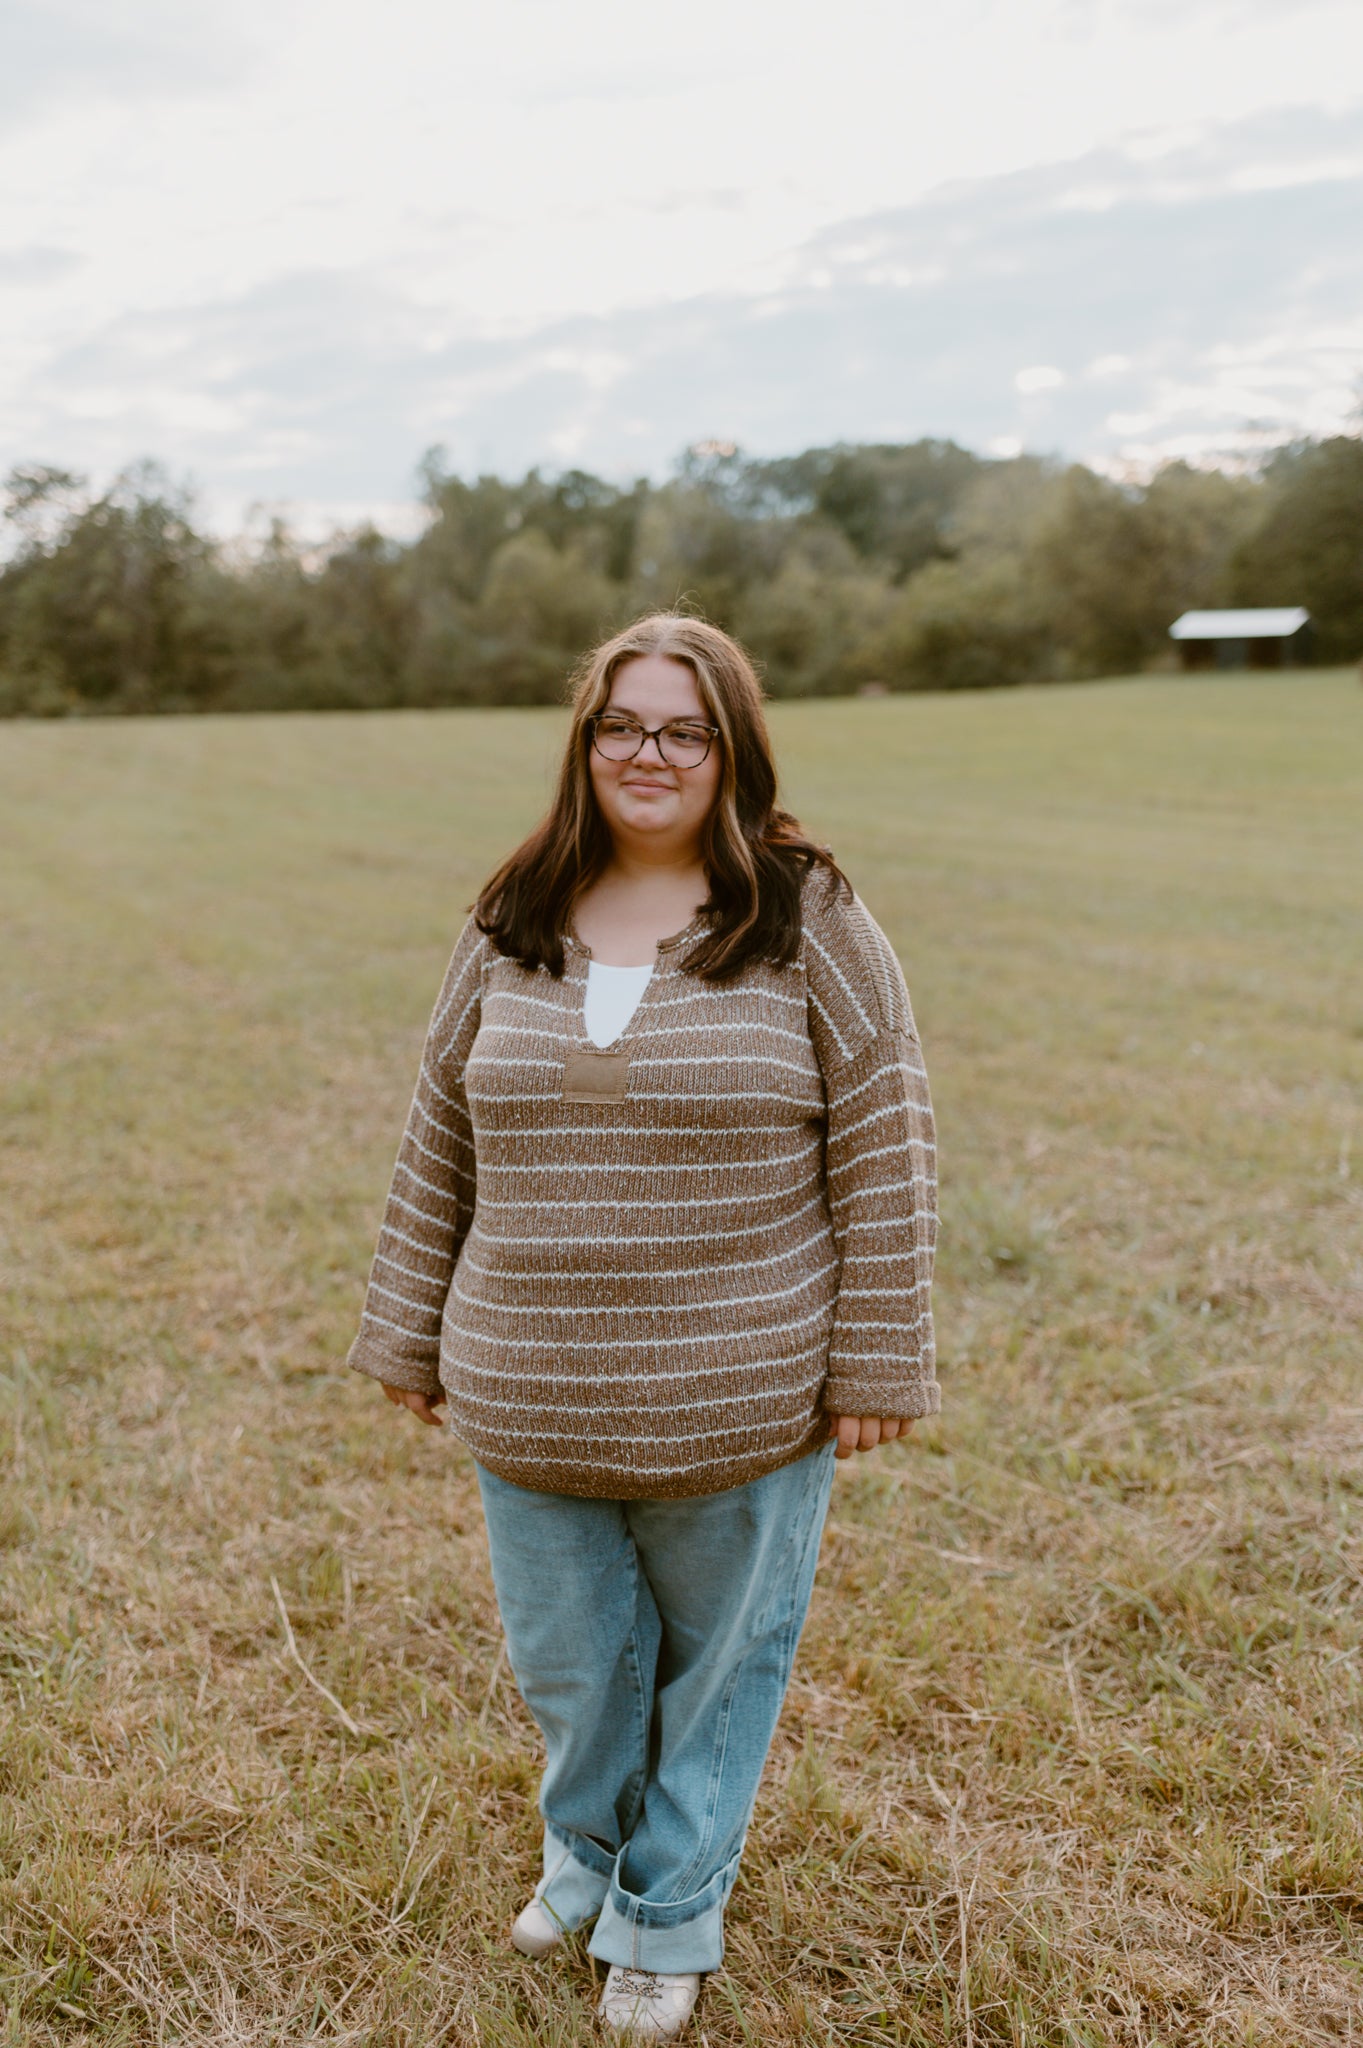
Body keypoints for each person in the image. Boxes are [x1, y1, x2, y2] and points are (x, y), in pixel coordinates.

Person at [347, 613, 939, 2041]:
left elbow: (886, 1137)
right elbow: (442, 1130)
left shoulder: (807, 918)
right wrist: (405, 1328)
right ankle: (587, 1859)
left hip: (739, 1397)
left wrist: (881, 1354)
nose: (650, 754)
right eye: (622, 725)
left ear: (732, 747)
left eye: (685, 727)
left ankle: (669, 1912)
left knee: (720, 1672)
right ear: (585, 744)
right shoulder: (514, 915)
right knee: (571, 1666)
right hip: (530, 1391)